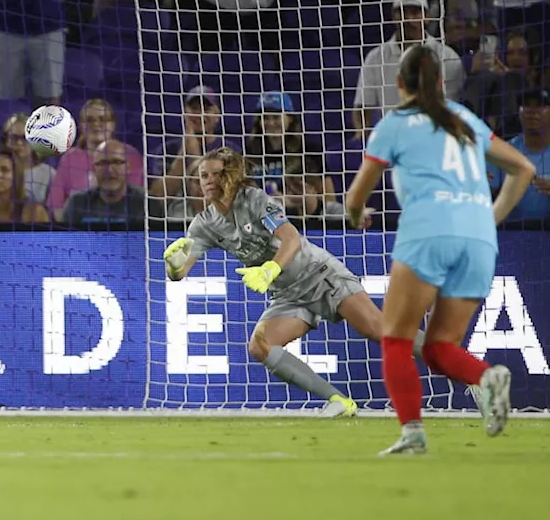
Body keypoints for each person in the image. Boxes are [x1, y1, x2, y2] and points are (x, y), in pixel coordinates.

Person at [346, 45, 535, 455]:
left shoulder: (395, 123)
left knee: (395, 337)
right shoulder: (463, 118)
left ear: (399, 84)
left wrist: (356, 213)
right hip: (479, 239)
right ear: (440, 82)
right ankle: (486, 377)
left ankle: (412, 434)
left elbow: (356, 194)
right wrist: (491, 215)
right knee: (438, 347)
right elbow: (524, 168)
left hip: (428, 231)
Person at [163, 147, 423, 417]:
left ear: (231, 174)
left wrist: (269, 270)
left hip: (318, 274)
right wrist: (173, 265)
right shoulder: (204, 224)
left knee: (379, 330)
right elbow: (179, 275)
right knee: (260, 345)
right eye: (203, 175)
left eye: (216, 174)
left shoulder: (254, 199)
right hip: (287, 294)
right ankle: (338, 401)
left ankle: (464, 370)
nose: (208, 180)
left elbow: (291, 239)